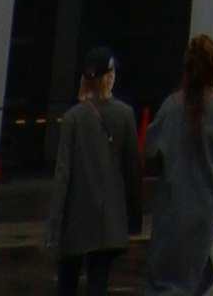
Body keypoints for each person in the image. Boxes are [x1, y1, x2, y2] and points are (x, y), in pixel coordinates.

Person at [143, 33, 213, 295]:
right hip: (205, 212)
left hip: (172, 207)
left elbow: (150, 155)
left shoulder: (171, 107)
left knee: (163, 281)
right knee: (193, 278)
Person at [48, 46, 141, 296]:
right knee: (98, 284)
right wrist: (134, 220)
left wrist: (54, 224)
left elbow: (63, 174)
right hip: (108, 221)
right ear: (108, 76)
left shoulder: (73, 118)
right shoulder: (125, 115)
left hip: (74, 221)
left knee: (66, 284)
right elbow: (133, 170)